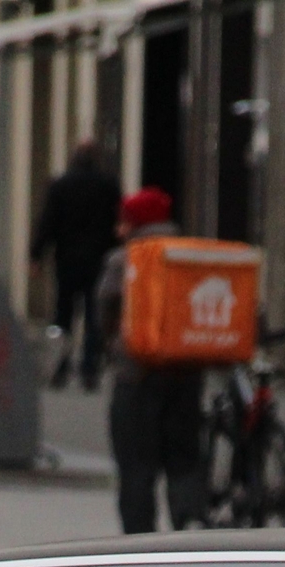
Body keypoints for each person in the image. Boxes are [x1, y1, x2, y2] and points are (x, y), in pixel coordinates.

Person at [99, 187, 207, 535]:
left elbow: (106, 307)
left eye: (125, 221)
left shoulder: (125, 259)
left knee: (136, 469)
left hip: (137, 375)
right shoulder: (193, 255)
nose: (119, 229)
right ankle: (190, 523)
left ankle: (139, 542)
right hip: (186, 371)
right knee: (184, 460)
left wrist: (112, 346)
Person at [31, 140, 121, 390]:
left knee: (63, 314)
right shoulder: (108, 186)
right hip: (99, 260)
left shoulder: (61, 186)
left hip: (67, 260)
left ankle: (60, 368)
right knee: (94, 316)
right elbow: (117, 224)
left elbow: (47, 222)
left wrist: (36, 255)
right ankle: (89, 370)